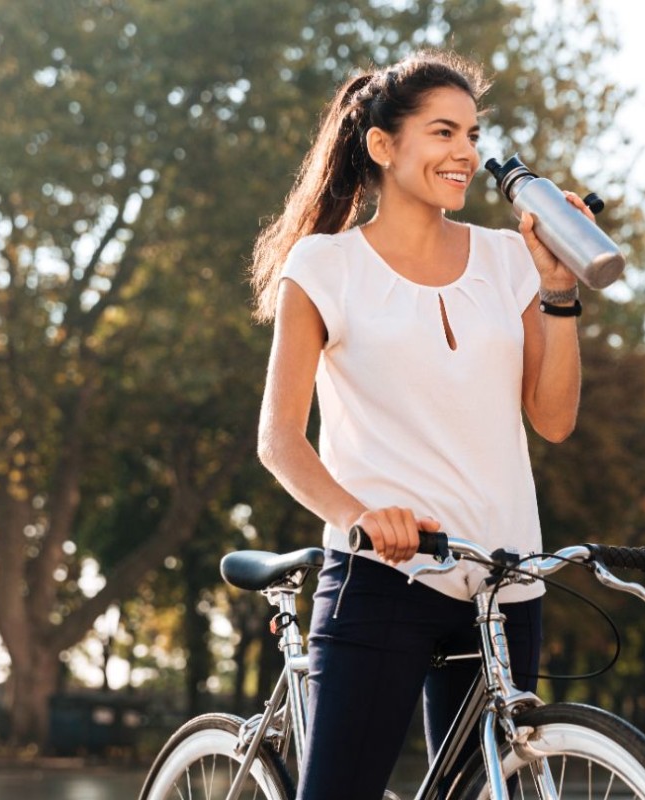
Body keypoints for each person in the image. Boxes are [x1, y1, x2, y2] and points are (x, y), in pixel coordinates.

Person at [250, 49, 592, 800]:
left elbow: (554, 419)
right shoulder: (325, 266)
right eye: (443, 132)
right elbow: (279, 440)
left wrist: (559, 291)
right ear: (383, 145)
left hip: (506, 582)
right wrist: (360, 517)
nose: (466, 153)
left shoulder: (509, 260)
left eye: (472, 134)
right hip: (384, 576)